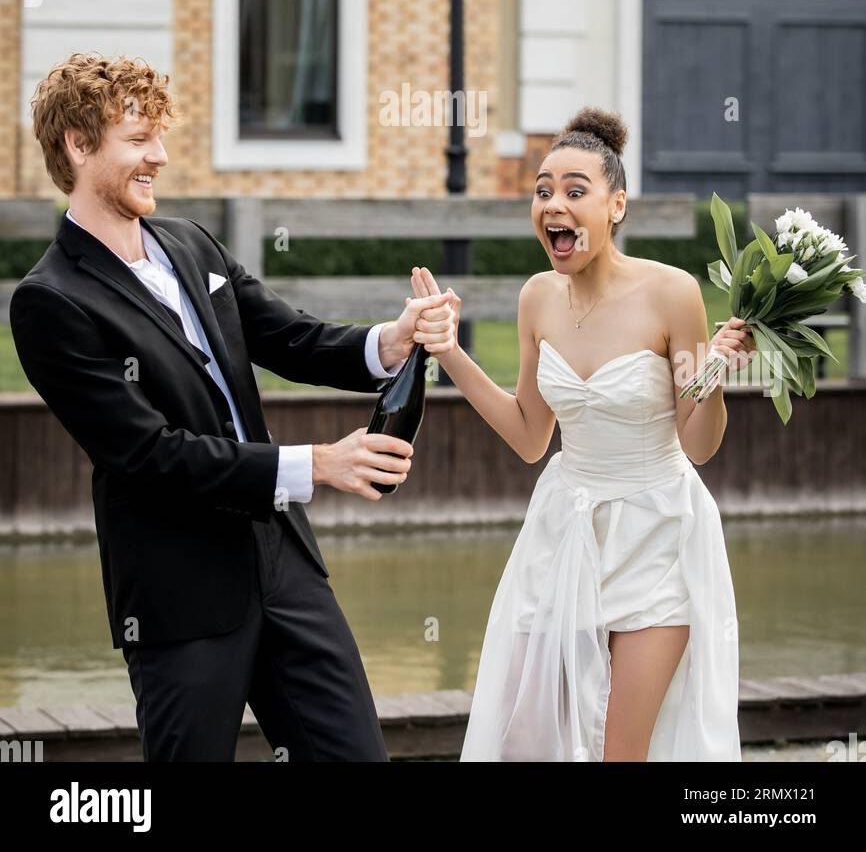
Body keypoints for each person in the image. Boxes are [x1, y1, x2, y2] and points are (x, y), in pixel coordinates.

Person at [9, 52, 458, 762]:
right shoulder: (50, 301)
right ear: (77, 144)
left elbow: (290, 337)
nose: (158, 154)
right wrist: (319, 465)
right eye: (137, 139)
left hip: (286, 569)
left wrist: (391, 341)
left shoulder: (190, 243)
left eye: (159, 135)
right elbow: (149, 454)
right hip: (180, 597)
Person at [410, 105, 755, 762]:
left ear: (616, 204)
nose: (553, 204)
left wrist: (711, 380)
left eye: (575, 190)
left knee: (620, 752)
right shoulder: (537, 297)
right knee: (529, 737)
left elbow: (700, 445)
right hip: (563, 530)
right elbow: (529, 435)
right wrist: (449, 353)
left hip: (658, 533)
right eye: (543, 190)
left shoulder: (672, 294)